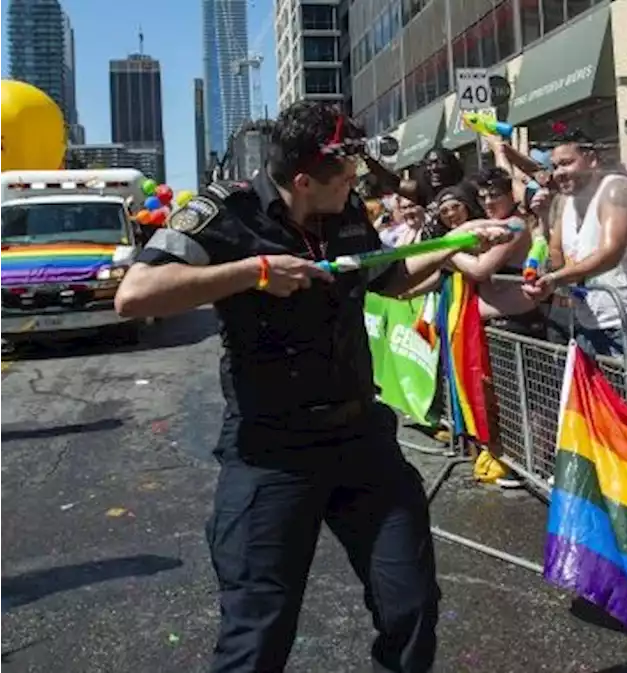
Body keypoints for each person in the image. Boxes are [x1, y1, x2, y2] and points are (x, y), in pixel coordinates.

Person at [112, 102, 512, 672]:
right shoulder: (226, 211)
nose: (355, 190)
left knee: (413, 606)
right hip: (271, 450)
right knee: (259, 631)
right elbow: (136, 294)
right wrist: (253, 272)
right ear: (303, 181)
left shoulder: (343, 211)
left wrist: (453, 246)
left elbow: (392, 280)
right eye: (346, 179)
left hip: (360, 438)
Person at [522, 129, 627, 410]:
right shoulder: (567, 201)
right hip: (588, 323)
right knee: (597, 414)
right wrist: (543, 279)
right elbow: (556, 253)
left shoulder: (617, 190)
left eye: (566, 163)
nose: (558, 173)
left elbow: (610, 253)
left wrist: (553, 280)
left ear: (591, 159)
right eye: (555, 166)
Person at [452, 167, 545, 339]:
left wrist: (447, 251)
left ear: (511, 195)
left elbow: (480, 269)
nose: (487, 202)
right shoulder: (494, 225)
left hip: (518, 326)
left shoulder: (514, 225)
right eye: (482, 197)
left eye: (494, 195)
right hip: (499, 324)